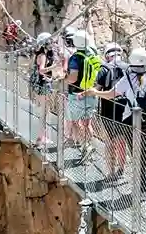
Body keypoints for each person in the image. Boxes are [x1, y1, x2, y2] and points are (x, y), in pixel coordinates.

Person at [83, 47, 146, 195]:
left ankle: (139, 184)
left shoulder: (127, 79)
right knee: (143, 151)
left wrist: (94, 91)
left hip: (131, 122)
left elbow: (109, 94)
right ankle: (141, 183)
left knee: (136, 152)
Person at [63, 27, 100, 159]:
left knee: (74, 121)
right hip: (91, 94)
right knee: (87, 123)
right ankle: (91, 145)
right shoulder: (93, 55)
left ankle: (85, 145)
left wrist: (64, 79)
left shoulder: (75, 58)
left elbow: (73, 77)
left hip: (77, 95)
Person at [94, 42, 128, 182]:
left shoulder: (104, 69)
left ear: (107, 55)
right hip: (126, 110)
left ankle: (110, 172)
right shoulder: (129, 68)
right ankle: (121, 168)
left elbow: (97, 89)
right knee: (122, 140)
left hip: (108, 110)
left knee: (109, 141)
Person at [28, 32, 57, 147]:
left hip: (41, 85)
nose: (51, 44)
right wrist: (53, 67)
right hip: (43, 85)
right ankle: (41, 138)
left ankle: (42, 137)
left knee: (45, 111)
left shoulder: (40, 54)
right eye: (49, 42)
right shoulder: (42, 55)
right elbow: (41, 70)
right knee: (44, 112)